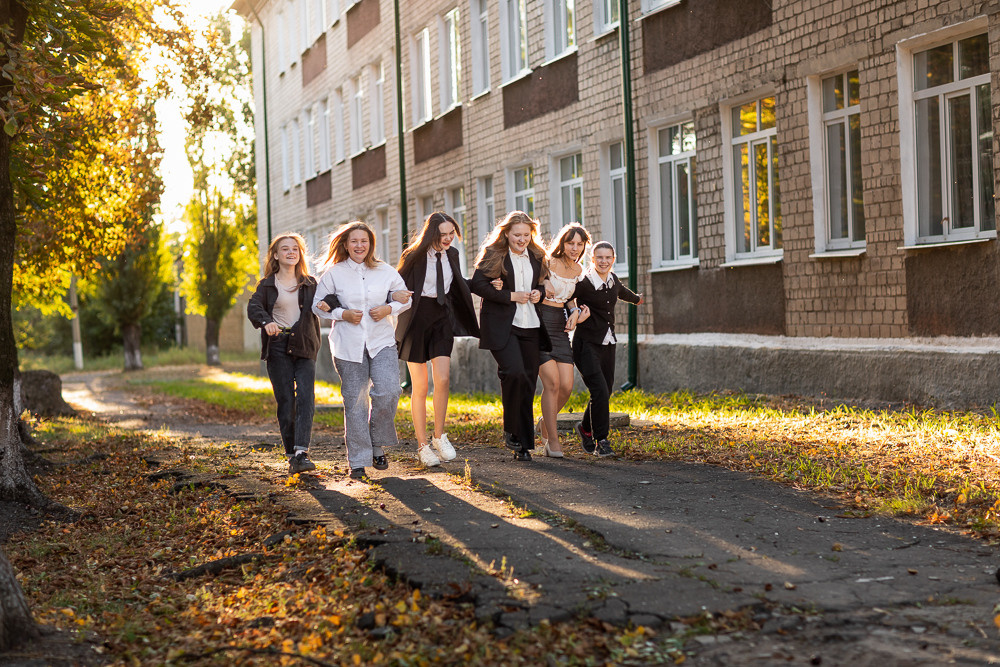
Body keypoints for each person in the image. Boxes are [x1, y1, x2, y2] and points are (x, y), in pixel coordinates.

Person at [312, 221, 410, 480]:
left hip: (382, 342)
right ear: (346, 244)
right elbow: (316, 305)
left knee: (389, 390)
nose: (359, 246)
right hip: (348, 346)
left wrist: (389, 308)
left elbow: (405, 296)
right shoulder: (334, 273)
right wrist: (342, 314)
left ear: (371, 244)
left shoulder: (384, 270)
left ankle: (376, 443)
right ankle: (357, 461)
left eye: (364, 241)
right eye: (354, 241)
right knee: (355, 403)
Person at [396, 212, 480, 467]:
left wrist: (487, 284)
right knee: (420, 386)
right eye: (442, 234)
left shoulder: (452, 254)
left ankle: (438, 436)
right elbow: (396, 283)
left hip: (442, 318)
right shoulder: (413, 256)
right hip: (417, 320)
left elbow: (458, 283)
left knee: (443, 379)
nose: (447, 238)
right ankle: (422, 446)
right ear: (431, 233)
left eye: (451, 233)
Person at [247, 233, 337, 474]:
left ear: (300, 254)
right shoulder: (267, 284)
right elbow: (253, 306)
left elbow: (330, 298)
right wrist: (266, 322)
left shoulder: (310, 283)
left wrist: (329, 302)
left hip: (305, 343)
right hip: (277, 345)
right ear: (276, 255)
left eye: (295, 249)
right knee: (286, 400)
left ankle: (301, 452)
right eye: (285, 249)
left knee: (306, 395)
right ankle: (291, 453)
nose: (290, 252)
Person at [471, 211, 550, 462]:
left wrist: (539, 293)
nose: (522, 239)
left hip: (532, 325)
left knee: (527, 380)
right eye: (517, 235)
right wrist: (510, 296)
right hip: (504, 325)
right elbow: (477, 285)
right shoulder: (495, 254)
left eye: (526, 235)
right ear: (506, 233)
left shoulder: (537, 255)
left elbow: (541, 283)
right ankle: (511, 429)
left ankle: (523, 443)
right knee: (514, 372)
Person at [569, 241, 643, 458]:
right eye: (599, 257)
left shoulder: (613, 279)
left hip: (608, 343)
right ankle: (602, 440)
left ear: (613, 259)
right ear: (592, 259)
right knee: (599, 391)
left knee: (604, 392)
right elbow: (567, 298)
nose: (603, 261)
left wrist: (637, 299)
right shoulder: (583, 283)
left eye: (608, 257)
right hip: (585, 345)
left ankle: (584, 428)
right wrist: (573, 313)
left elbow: (621, 291)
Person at [537, 223, 591, 457]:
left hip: (560, 327)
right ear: (563, 243)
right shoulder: (548, 263)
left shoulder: (579, 270)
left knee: (567, 386)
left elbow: (570, 299)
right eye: (571, 243)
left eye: (580, 244)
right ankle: (552, 440)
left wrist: (576, 312)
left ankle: (544, 423)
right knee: (552, 383)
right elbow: (533, 286)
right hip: (539, 323)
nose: (575, 248)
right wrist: (544, 282)